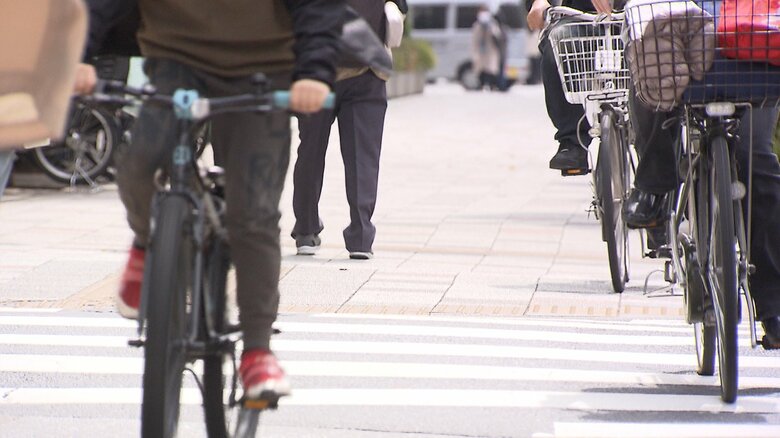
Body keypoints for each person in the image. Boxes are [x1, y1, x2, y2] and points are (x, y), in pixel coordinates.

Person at [81, 0, 345, 400]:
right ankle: (149, 245)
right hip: (175, 61)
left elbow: (317, 7)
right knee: (139, 165)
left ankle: (257, 351)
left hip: (260, 67)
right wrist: (78, 55)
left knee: (253, 213)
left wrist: (314, 74)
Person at [291, 0, 407, 260]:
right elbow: (398, 8)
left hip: (315, 70)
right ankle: (361, 237)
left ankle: (306, 231)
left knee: (310, 151)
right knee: (363, 157)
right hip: (365, 69)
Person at [527, 0, 605, 174]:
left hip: (643, 13)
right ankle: (572, 141)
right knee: (557, 43)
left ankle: (655, 167)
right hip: (581, 16)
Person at [472, 5, 503, 91]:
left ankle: (491, 85)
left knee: (491, 69)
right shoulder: (477, 25)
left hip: (490, 52)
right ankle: (481, 84)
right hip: (480, 52)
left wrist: (490, 27)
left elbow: (497, 36)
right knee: (480, 69)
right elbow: (474, 40)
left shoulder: (493, 24)